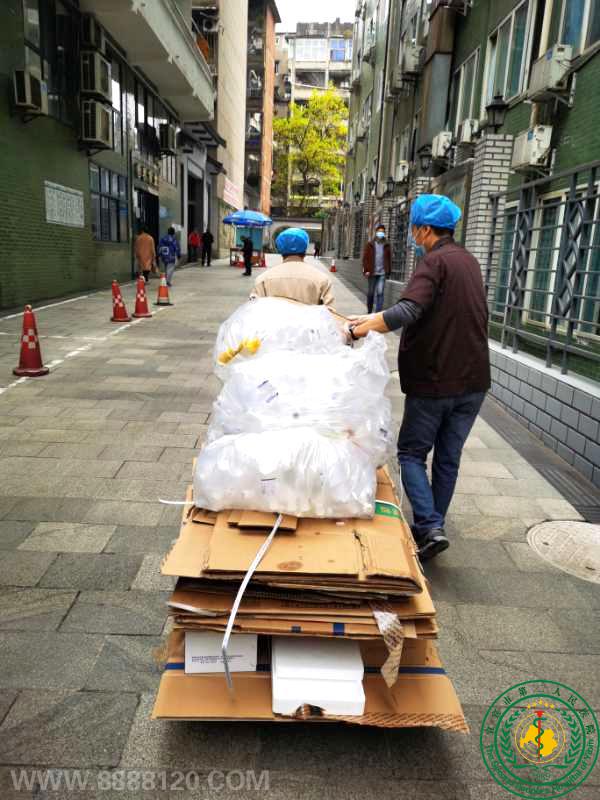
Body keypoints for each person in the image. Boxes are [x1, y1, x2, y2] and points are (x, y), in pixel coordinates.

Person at [350, 195, 490, 561]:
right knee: (448, 458)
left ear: (425, 229)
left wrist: (361, 328)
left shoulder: (434, 261)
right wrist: (373, 317)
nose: (412, 235)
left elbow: (409, 310)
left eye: (413, 228)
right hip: (474, 381)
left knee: (411, 454)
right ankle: (433, 528)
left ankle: (428, 525)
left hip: (436, 380)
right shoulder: (468, 261)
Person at [252, 228, 334, 306]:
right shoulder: (322, 280)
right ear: (305, 249)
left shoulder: (262, 279)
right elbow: (330, 312)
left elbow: (252, 310)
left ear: (280, 249)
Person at [362, 223, 391, 313]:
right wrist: (366, 270)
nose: (381, 233)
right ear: (376, 232)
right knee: (371, 293)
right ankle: (369, 311)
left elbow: (389, 259)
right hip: (372, 272)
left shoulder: (387, 245)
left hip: (382, 273)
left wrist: (388, 271)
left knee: (380, 292)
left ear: (384, 233)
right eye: (379, 231)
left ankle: (378, 313)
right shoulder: (370, 244)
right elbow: (365, 258)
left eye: (382, 232)